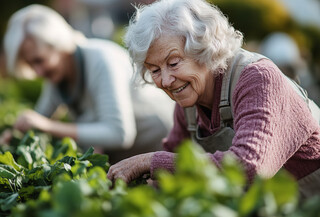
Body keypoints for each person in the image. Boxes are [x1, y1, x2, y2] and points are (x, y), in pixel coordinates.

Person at [106, 0, 320, 199]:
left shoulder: (258, 79)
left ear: (203, 50)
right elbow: (170, 167)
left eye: (173, 63)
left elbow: (249, 166)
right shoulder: (188, 102)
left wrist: (150, 161)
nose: (165, 80)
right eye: (154, 69)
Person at [0, 4, 174, 163]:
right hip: (127, 159)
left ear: (58, 44)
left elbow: (120, 134)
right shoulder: (57, 74)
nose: (38, 72)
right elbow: (39, 117)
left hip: (160, 148)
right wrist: (15, 134)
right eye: (30, 64)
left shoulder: (101, 61)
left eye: (39, 60)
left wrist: (47, 126)